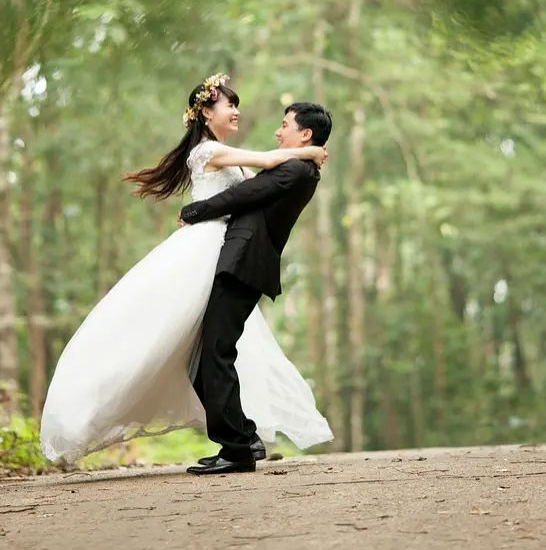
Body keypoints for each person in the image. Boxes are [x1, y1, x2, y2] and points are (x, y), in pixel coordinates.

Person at [39, 74, 333, 463]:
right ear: (207, 112)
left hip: (223, 253)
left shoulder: (232, 155)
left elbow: (256, 185)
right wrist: (310, 153)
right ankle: (239, 439)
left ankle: (242, 439)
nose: (237, 111)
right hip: (202, 252)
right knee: (191, 345)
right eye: (230, 105)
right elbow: (267, 163)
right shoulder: (207, 151)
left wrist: (306, 155)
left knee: (211, 347)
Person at [179, 99, 333, 475]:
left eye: (285, 125)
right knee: (209, 353)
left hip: (244, 262)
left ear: (305, 134)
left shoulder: (297, 170)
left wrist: (194, 211)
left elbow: (241, 195)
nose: (278, 131)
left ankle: (236, 449)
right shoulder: (299, 166)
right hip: (239, 261)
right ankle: (244, 438)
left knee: (214, 352)